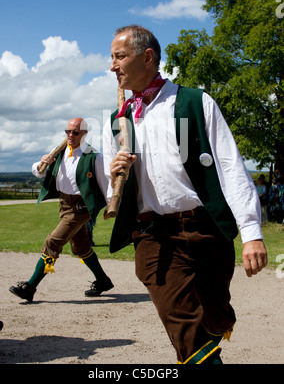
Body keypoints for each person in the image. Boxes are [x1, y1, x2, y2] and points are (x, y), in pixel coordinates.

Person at [103, 25, 268, 364]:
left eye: (120, 56)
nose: (112, 66)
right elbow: (113, 193)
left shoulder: (194, 102)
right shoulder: (117, 122)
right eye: (112, 58)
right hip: (153, 237)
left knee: (214, 318)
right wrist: (115, 176)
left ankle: (217, 322)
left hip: (205, 229)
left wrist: (251, 233)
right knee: (186, 330)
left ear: (147, 57)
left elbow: (230, 167)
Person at [9, 118, 113, 302]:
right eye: (67, 131)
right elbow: (37, 171)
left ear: (85, 134)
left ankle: (30, 286)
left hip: (80, 208)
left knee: (53, 242)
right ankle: (103, 280)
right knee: (80, 247)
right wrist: (43, 162)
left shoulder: (94, 156)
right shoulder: (59, 151)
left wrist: (110, 205)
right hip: (64, 204)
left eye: (75, 132)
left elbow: (106, 183)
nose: (70, 135)